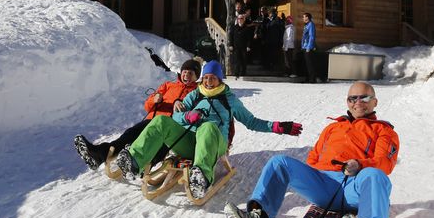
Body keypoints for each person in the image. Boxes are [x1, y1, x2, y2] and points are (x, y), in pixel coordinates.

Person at [224, 81, 399, 218]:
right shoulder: (332, 128)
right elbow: (313, 158)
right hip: (323, 186)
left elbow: (385, 162)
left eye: (364, 98)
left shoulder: (383, 130)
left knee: (376, 174)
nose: (358, 102)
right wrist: (315, 176)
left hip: (355, 188)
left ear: (374, 102)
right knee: (279, 162)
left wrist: (360, 165)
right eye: (352, 98)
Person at [114, 60, 302, 199]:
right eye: (205, 77)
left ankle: (202, 177)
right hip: (188, 143)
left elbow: (252, 122)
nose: (208, 81)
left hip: (215, 142)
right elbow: (176, 116)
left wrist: (277, 127)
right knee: (161, 120)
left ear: (219, 79)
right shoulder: (194, 96)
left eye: (212, 77)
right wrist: (187, 116)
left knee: (208, 126)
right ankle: (134, 163)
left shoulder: (230, 99)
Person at [74, 58, 201, 170]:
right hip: (153, 119)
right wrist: (155, 99)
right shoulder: (168, 85)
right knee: (130, 134)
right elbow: (147, 105)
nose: (186, 75)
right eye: (184, 71)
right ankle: (99, 154)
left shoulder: (196, 92)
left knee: (158, 144)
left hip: (171, 126)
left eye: (191, 73)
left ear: (196, 77)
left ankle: (141, 166)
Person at [301, 12, 318, 83]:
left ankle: (312, 79)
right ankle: (307, 78)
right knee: (306, 64)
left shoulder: (311, 25)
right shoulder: (307, 25)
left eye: (304, 17)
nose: (303, 18)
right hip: (305, 46)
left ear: (307, 17)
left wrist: (309, 47)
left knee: (310, 63)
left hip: (308, 47)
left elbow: (311, 36)